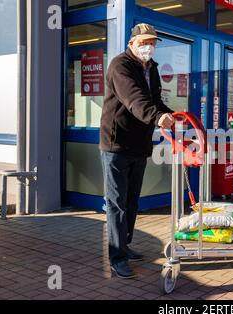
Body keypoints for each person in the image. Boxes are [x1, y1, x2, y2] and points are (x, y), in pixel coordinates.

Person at [100, 23, 175, 279]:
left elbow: (153, 100)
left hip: (139, 145)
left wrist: (170, 114)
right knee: (116, 203)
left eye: (152, 43)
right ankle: (116, 257)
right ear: (132, 43)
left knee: (132, 201)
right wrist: (157, 117)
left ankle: (125, 245)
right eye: (144, 42)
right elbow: (134, 99)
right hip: (116, 145)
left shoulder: (151, 69)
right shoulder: (120, 66)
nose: (148, 47)